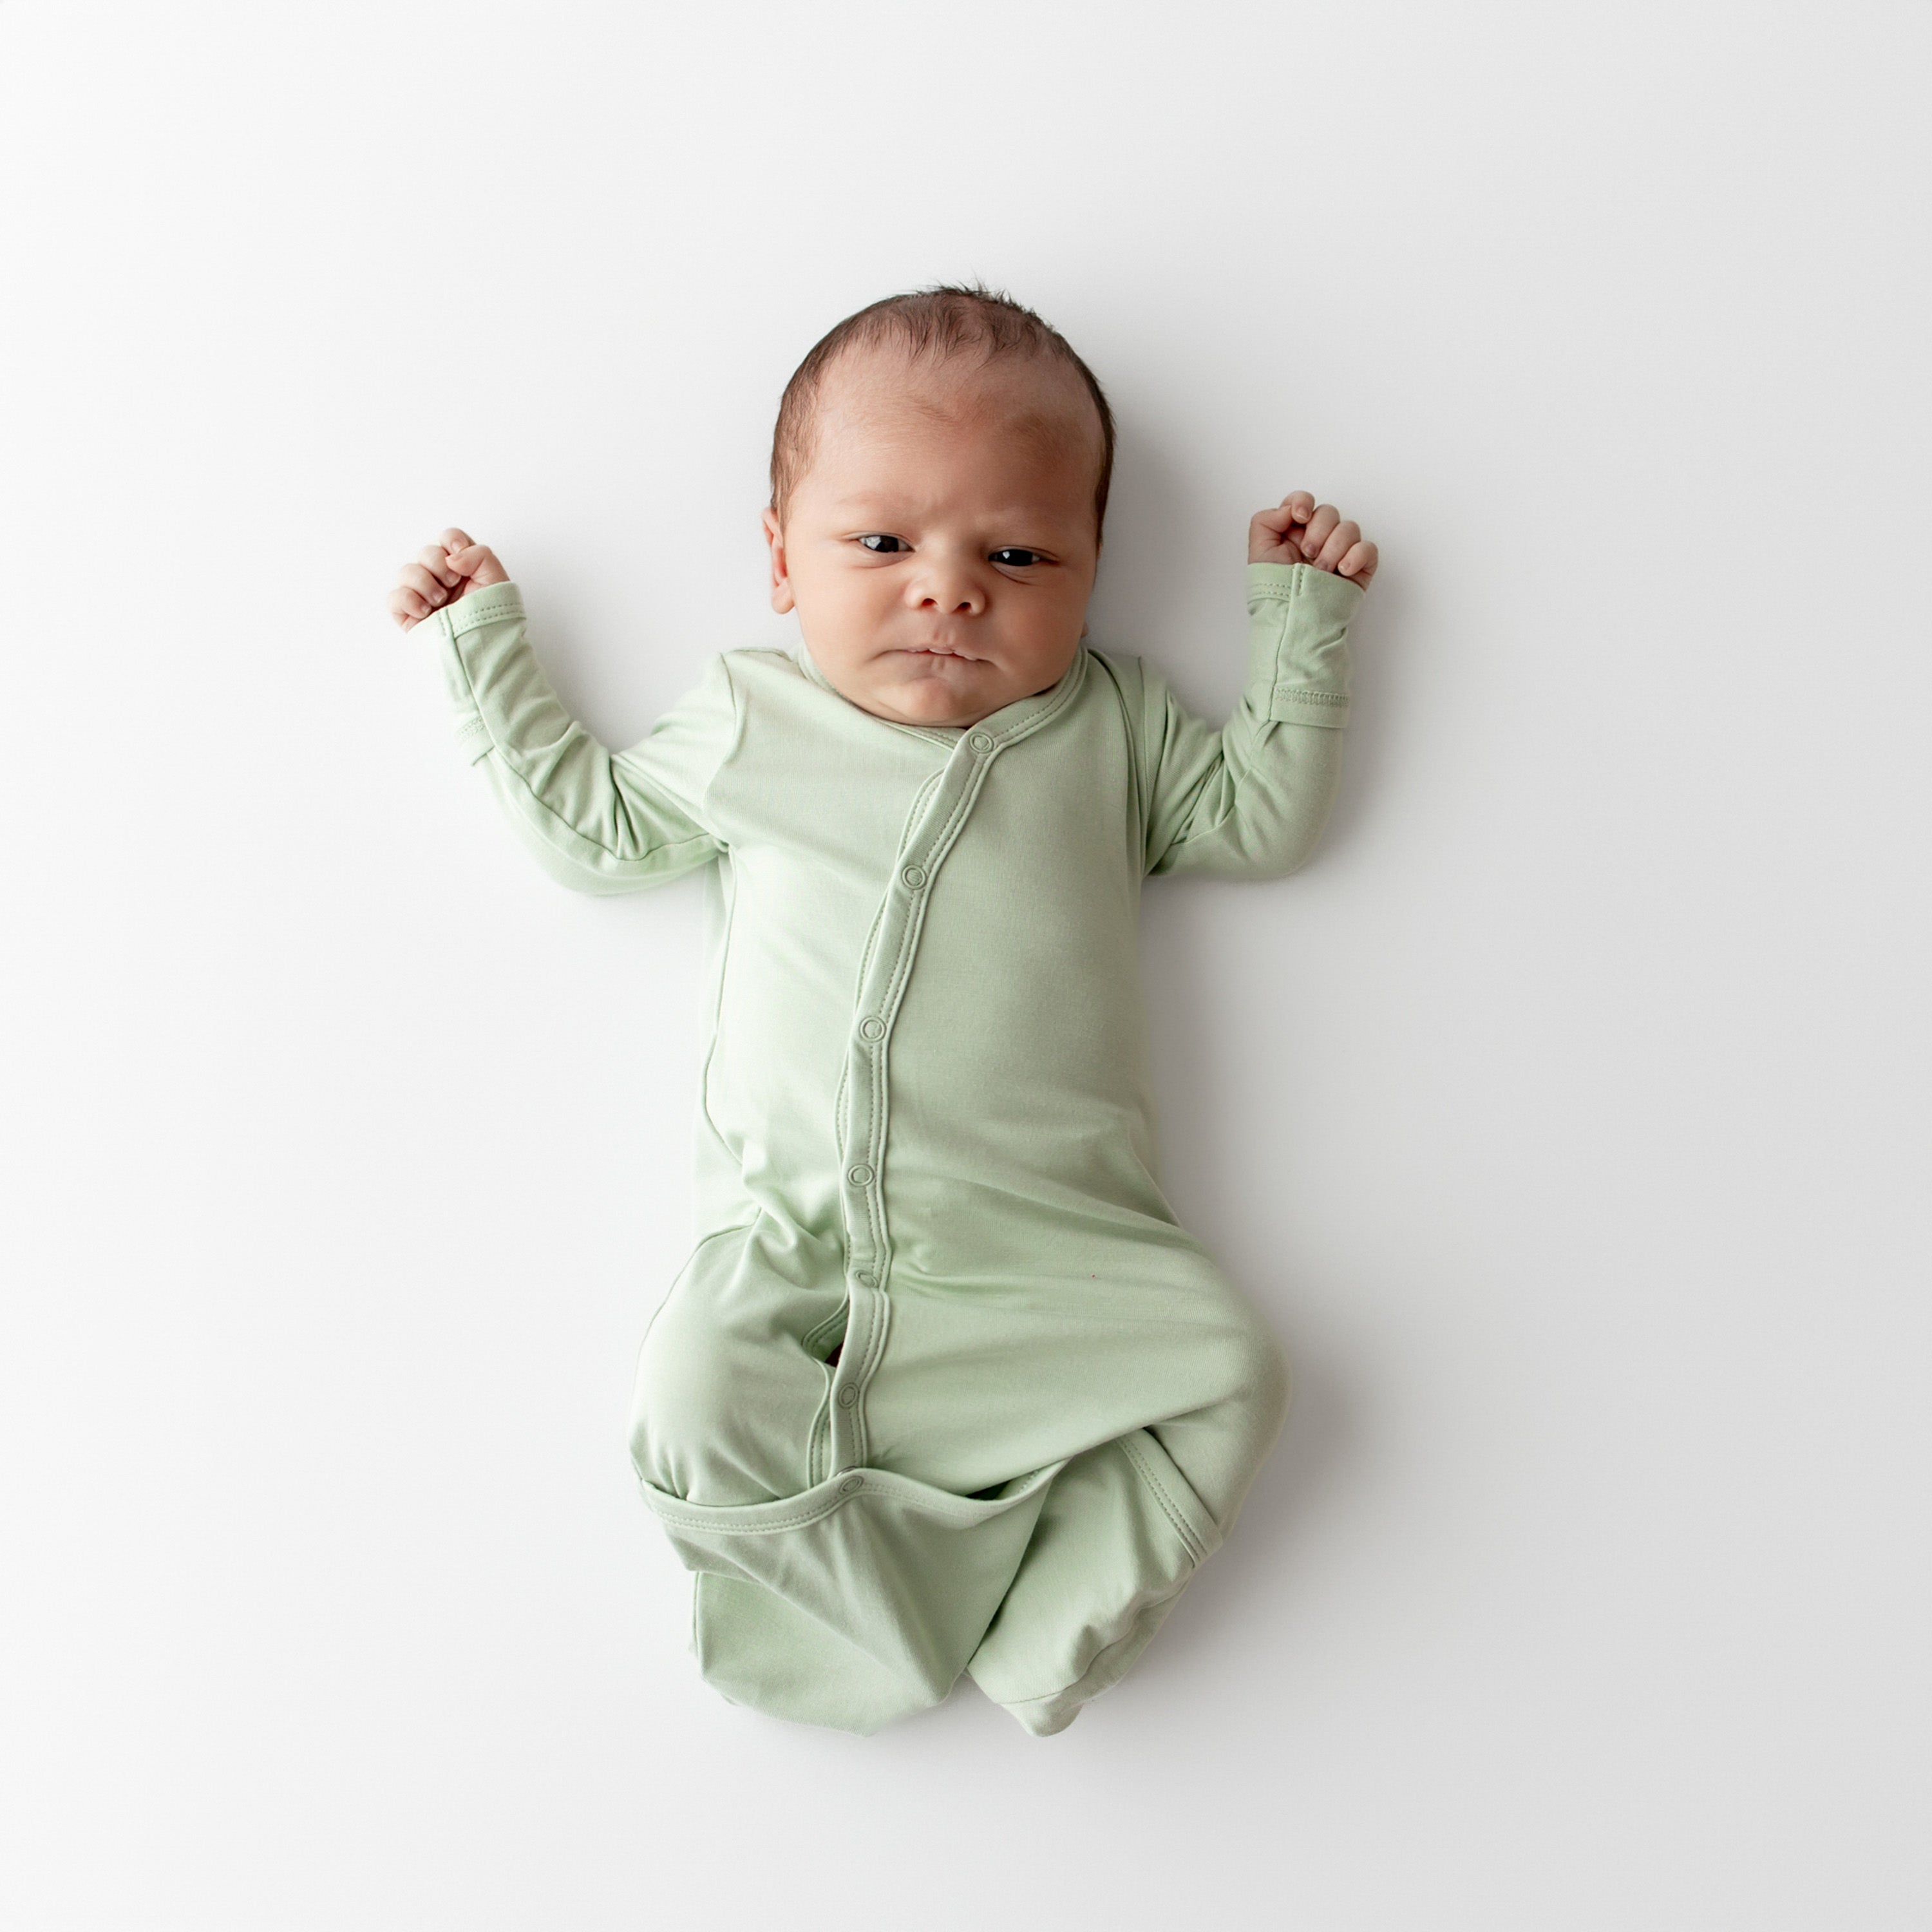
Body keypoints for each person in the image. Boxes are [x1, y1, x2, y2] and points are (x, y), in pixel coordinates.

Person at [388, 283, 1377, 1736]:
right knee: (685, 1392)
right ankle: (870, 1614)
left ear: (1092, 574)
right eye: (881, 543)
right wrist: (486, 652)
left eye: (1019, 551)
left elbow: (1262, 819)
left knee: (1235, 1367)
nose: (949, 586)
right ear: (782, 561)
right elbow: (597, 834)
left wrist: (1304, 620)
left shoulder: (1115, 729)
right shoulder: (750, 721)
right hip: (796, 1255)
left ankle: (1046, 1635)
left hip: (1059, 1252)